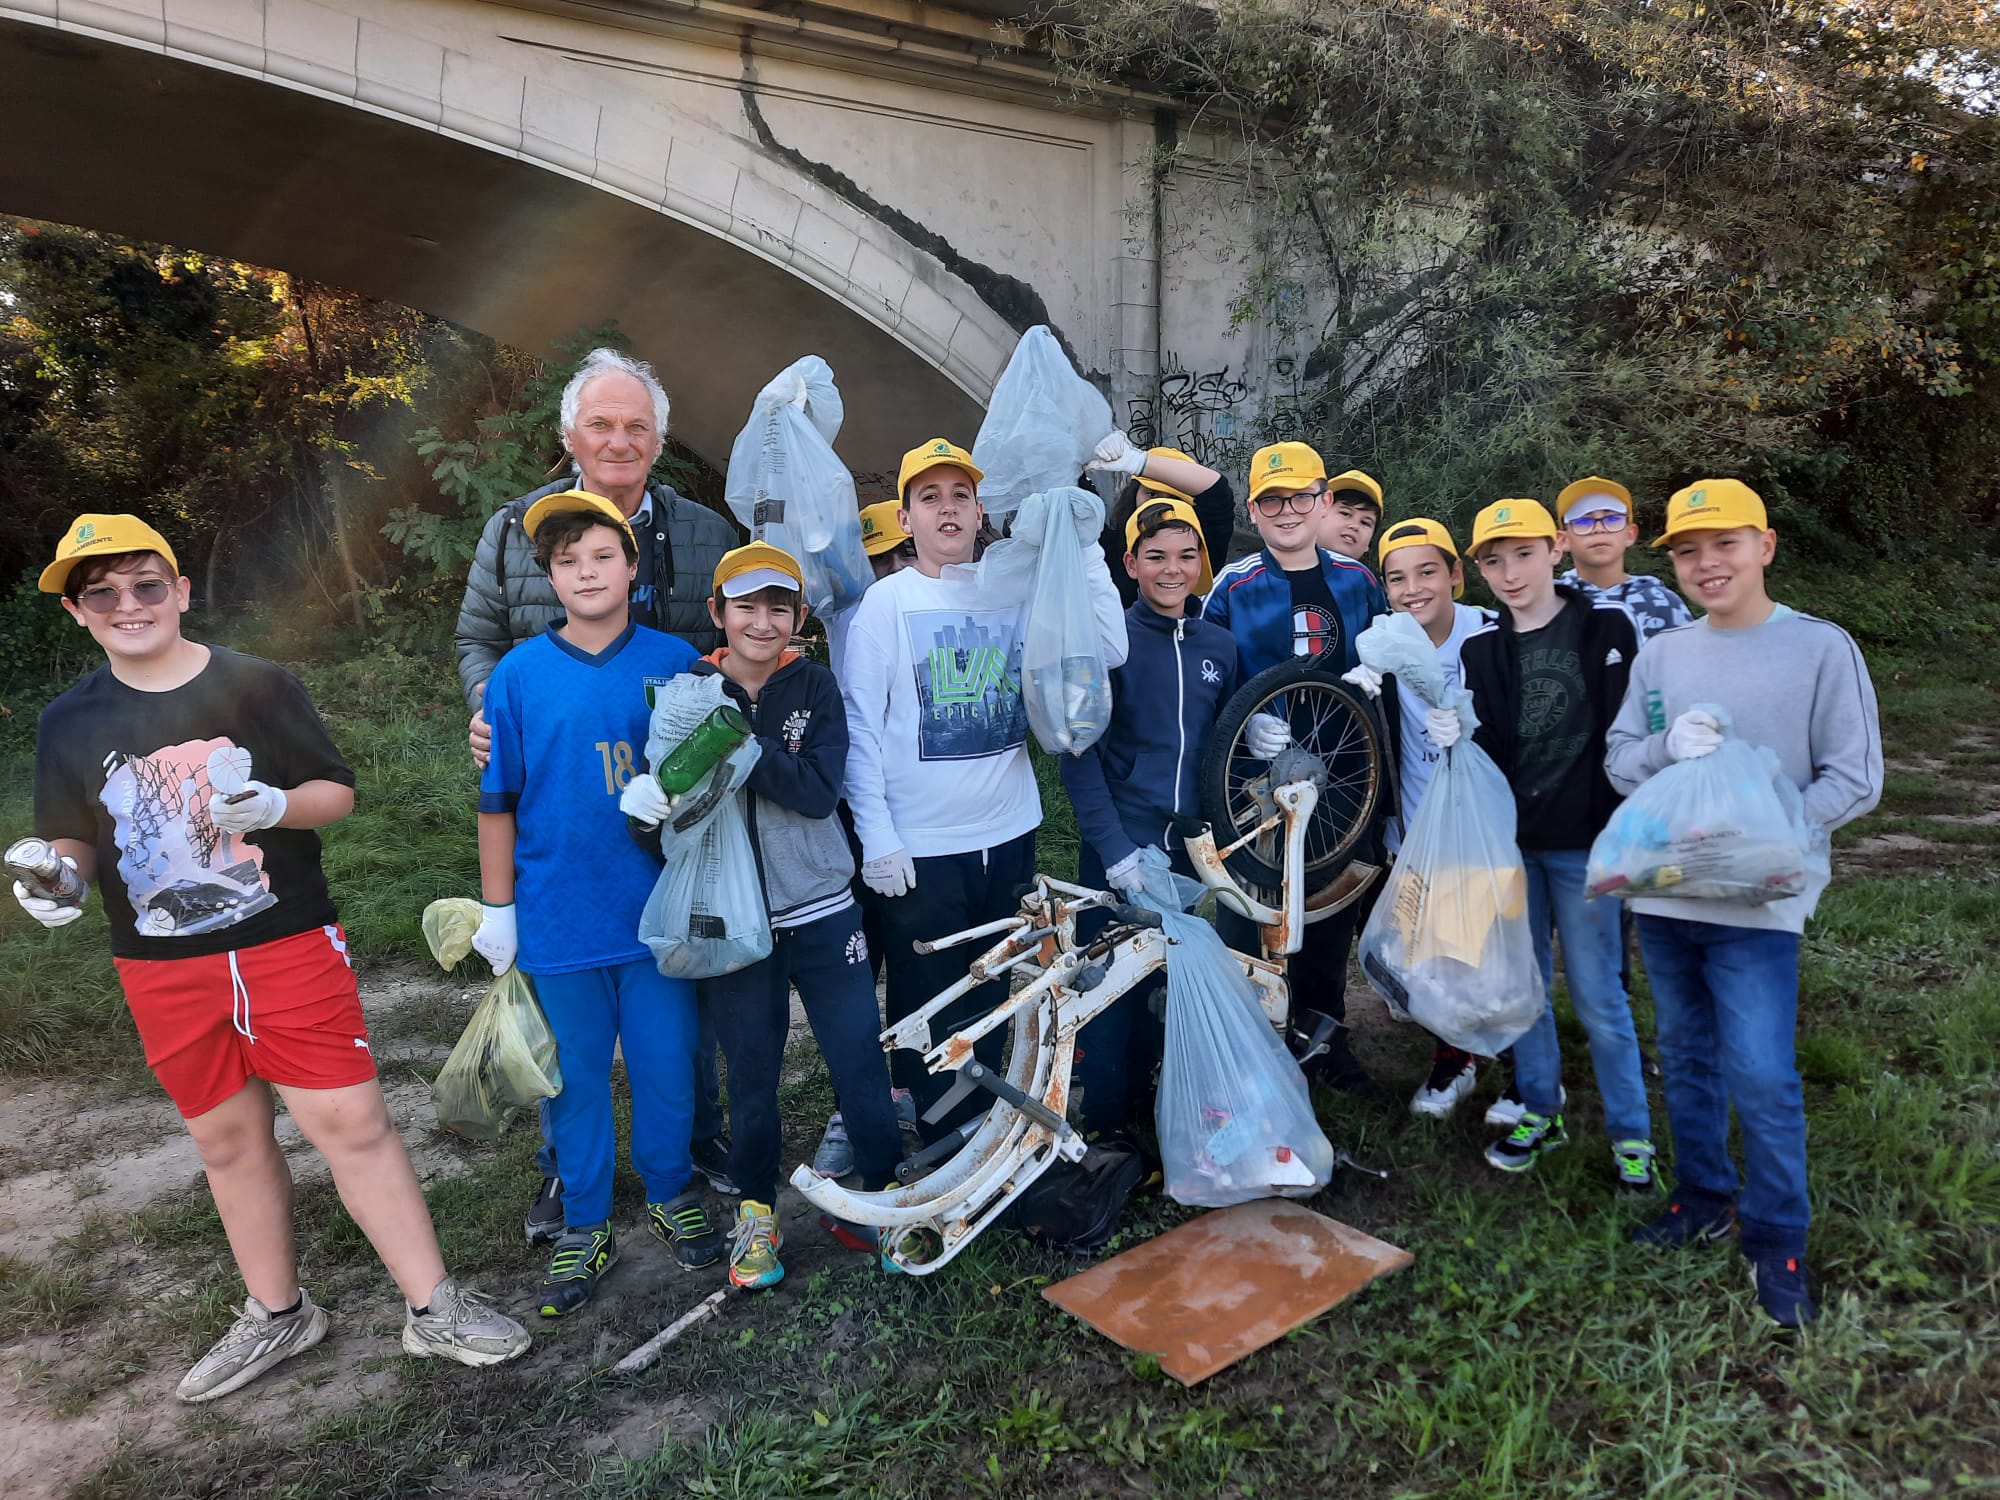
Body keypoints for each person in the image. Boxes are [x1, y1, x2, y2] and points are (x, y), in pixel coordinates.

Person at [19, 514, 530, 1401]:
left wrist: (275, 808)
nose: (127, 605)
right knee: (225, 1139)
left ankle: (434, 1305)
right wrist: (56, 876)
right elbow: (71, 837)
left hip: (283, 943)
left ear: (180, 591)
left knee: (351, 1126)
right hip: (160, 965)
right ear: (77, 612)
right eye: (100, 594)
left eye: (146, 586)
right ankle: (278, 1312)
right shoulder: (70, 722)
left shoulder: (256, 685)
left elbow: (335, 792)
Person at [453, 347, 738, 1238]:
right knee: (569, 1043)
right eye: (601, 425)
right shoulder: (512, 529)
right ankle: (568, 1181)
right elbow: (478, 638)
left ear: (659, 440)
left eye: (637, 426)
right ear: (570, 435)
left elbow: (716, 657)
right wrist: (488, 713)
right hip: (557, 832)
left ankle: (687, 1155)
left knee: (672, 1027)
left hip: (664, 839)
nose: (619, 441)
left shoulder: (700, 530)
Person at [1606, 478, 1881, 1327]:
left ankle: (1777, 1238)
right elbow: (1622, 758)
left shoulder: (1819, 650)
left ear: (1765, 545)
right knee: (1685, 1052)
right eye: (1688, 550)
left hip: (1757, 901)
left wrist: (1765, 829)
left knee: (1761, 1073)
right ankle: (1704, 1196)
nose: (1705, 563)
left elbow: (1856, 776)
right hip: (1669, 891)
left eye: (1724, 543)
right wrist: (1662, 745)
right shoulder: (1665, 657)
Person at [471, 490, 725, 1317]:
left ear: (633, 565)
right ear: (548, 575)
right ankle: (583, 1217)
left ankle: (668, 1183)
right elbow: (497, 802)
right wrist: (500, 911)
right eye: (568, 560)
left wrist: (681, 793)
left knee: (664, 1061)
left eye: (602, 556)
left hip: (656, 913)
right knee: (573, 1078)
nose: (587, 571)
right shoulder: (519, 676)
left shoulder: (676, 662)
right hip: (558, 914)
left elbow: (717, 776)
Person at [626, 542, 905, 1288]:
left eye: (777, 607)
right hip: (731, 920)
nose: (762, 621)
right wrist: (643, 810)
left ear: (799, 618)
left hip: (822, 909)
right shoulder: (686, 693)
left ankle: (878, 1197)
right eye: (745, 605)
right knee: (751, 1074)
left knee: (857, 1059)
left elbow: (817, 793)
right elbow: (670, 808)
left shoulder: (814, 685)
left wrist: (743, 744)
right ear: (718, 613)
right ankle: (757, 1213)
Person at [841, 439, 1128, 1139]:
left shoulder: (1014, 591)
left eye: (960, 496)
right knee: (926, 991)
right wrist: (877, 837)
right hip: (921, 845)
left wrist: (1083, 549)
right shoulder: (886, 604)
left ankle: (982, 1117)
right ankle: (936, 1124)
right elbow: (861, 727)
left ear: (980, 513)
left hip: (1007, 833)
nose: (947, 509)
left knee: (994, 980)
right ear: (905, 519)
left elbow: (1107, 649)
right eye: (930, 497)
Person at [1455, 498, 1653, 1186]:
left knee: (1600, 993)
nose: (1511, 572)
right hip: (1514, 848)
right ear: (1478, 569)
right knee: (1525, 984)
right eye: (1493, 559)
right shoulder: (1482, 650)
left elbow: (1629, 734)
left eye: (1524, 554)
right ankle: (1541, 1106)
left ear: (1557, 548)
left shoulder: (1606, 626)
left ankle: (1632, 1133)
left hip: (1585, 846)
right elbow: (1483, 745)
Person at [1202, 441, 1389, 1092]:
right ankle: (1254, 1045)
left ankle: (1324, 1037)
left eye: (1301, 496)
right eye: (1273, 499)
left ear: (1324, 502)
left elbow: (1391, 650)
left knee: (1330, 907)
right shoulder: (1233, 586)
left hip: (1342, 777)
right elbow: (1207, 673)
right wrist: (1242, 718)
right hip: (1256, 784)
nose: (1288, 510)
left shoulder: (1358, 580)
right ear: (1254, 509)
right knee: (1253, 909)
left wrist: (1379, 667)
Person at [1060, 496, 1240, 1136]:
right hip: (1122, 849)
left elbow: (1224, 740)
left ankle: (1155, 1120)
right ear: (1130, 563)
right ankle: (1107, 1128)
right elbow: (1077, 758)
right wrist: (1112, 850)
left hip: (1187, 855)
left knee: (1165, 988)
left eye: (1187, 556)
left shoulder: (1219, 643)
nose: (1173, 570)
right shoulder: (1110, 644)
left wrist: (1261, 731)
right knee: (1111, 995)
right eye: (1156, 556)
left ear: (1202, 562)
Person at [1343, 518, 1494, 1119]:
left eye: (1428, 571)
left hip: (1481, 821)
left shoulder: (1489, 633)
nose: (1413, 589)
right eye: (1397, 578)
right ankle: (1459, 1048)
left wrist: (1473, 726)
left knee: (1474, 947)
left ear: (1456, 575)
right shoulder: (1387, 643)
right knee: (1432, 947)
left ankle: (1465, 1059)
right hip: (1415, 823)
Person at [813, 498, 918, 1179]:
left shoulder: (926, 607)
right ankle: (853, 1103)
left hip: (915, 810)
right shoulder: (839, 614)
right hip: (846, 814)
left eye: (899, 556)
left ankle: (908, 1093)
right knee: (857, 968)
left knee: (914, 956)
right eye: (875, 560)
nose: (889, 571)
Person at [1089, 434, 1238, 608]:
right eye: (1151, 494)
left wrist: (1138, 462)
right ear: (1130, 563)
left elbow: (1218, 493)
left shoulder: (1202, 541)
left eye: (1186, 557)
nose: (1159, 505)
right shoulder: (1107, 544)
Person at [1555, 476, 1694, 643]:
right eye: (1584, 521)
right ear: (1563, 540)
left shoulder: (1662, 604)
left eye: (1612, 519)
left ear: (1630, 534)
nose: (1599, 529)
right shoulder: (1551, 602)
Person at [1319, 469, 1384, 562]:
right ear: (1317, 515)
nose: (1355, 526)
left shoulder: (1365, 576)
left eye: (1365, 523)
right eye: (1345, 513)